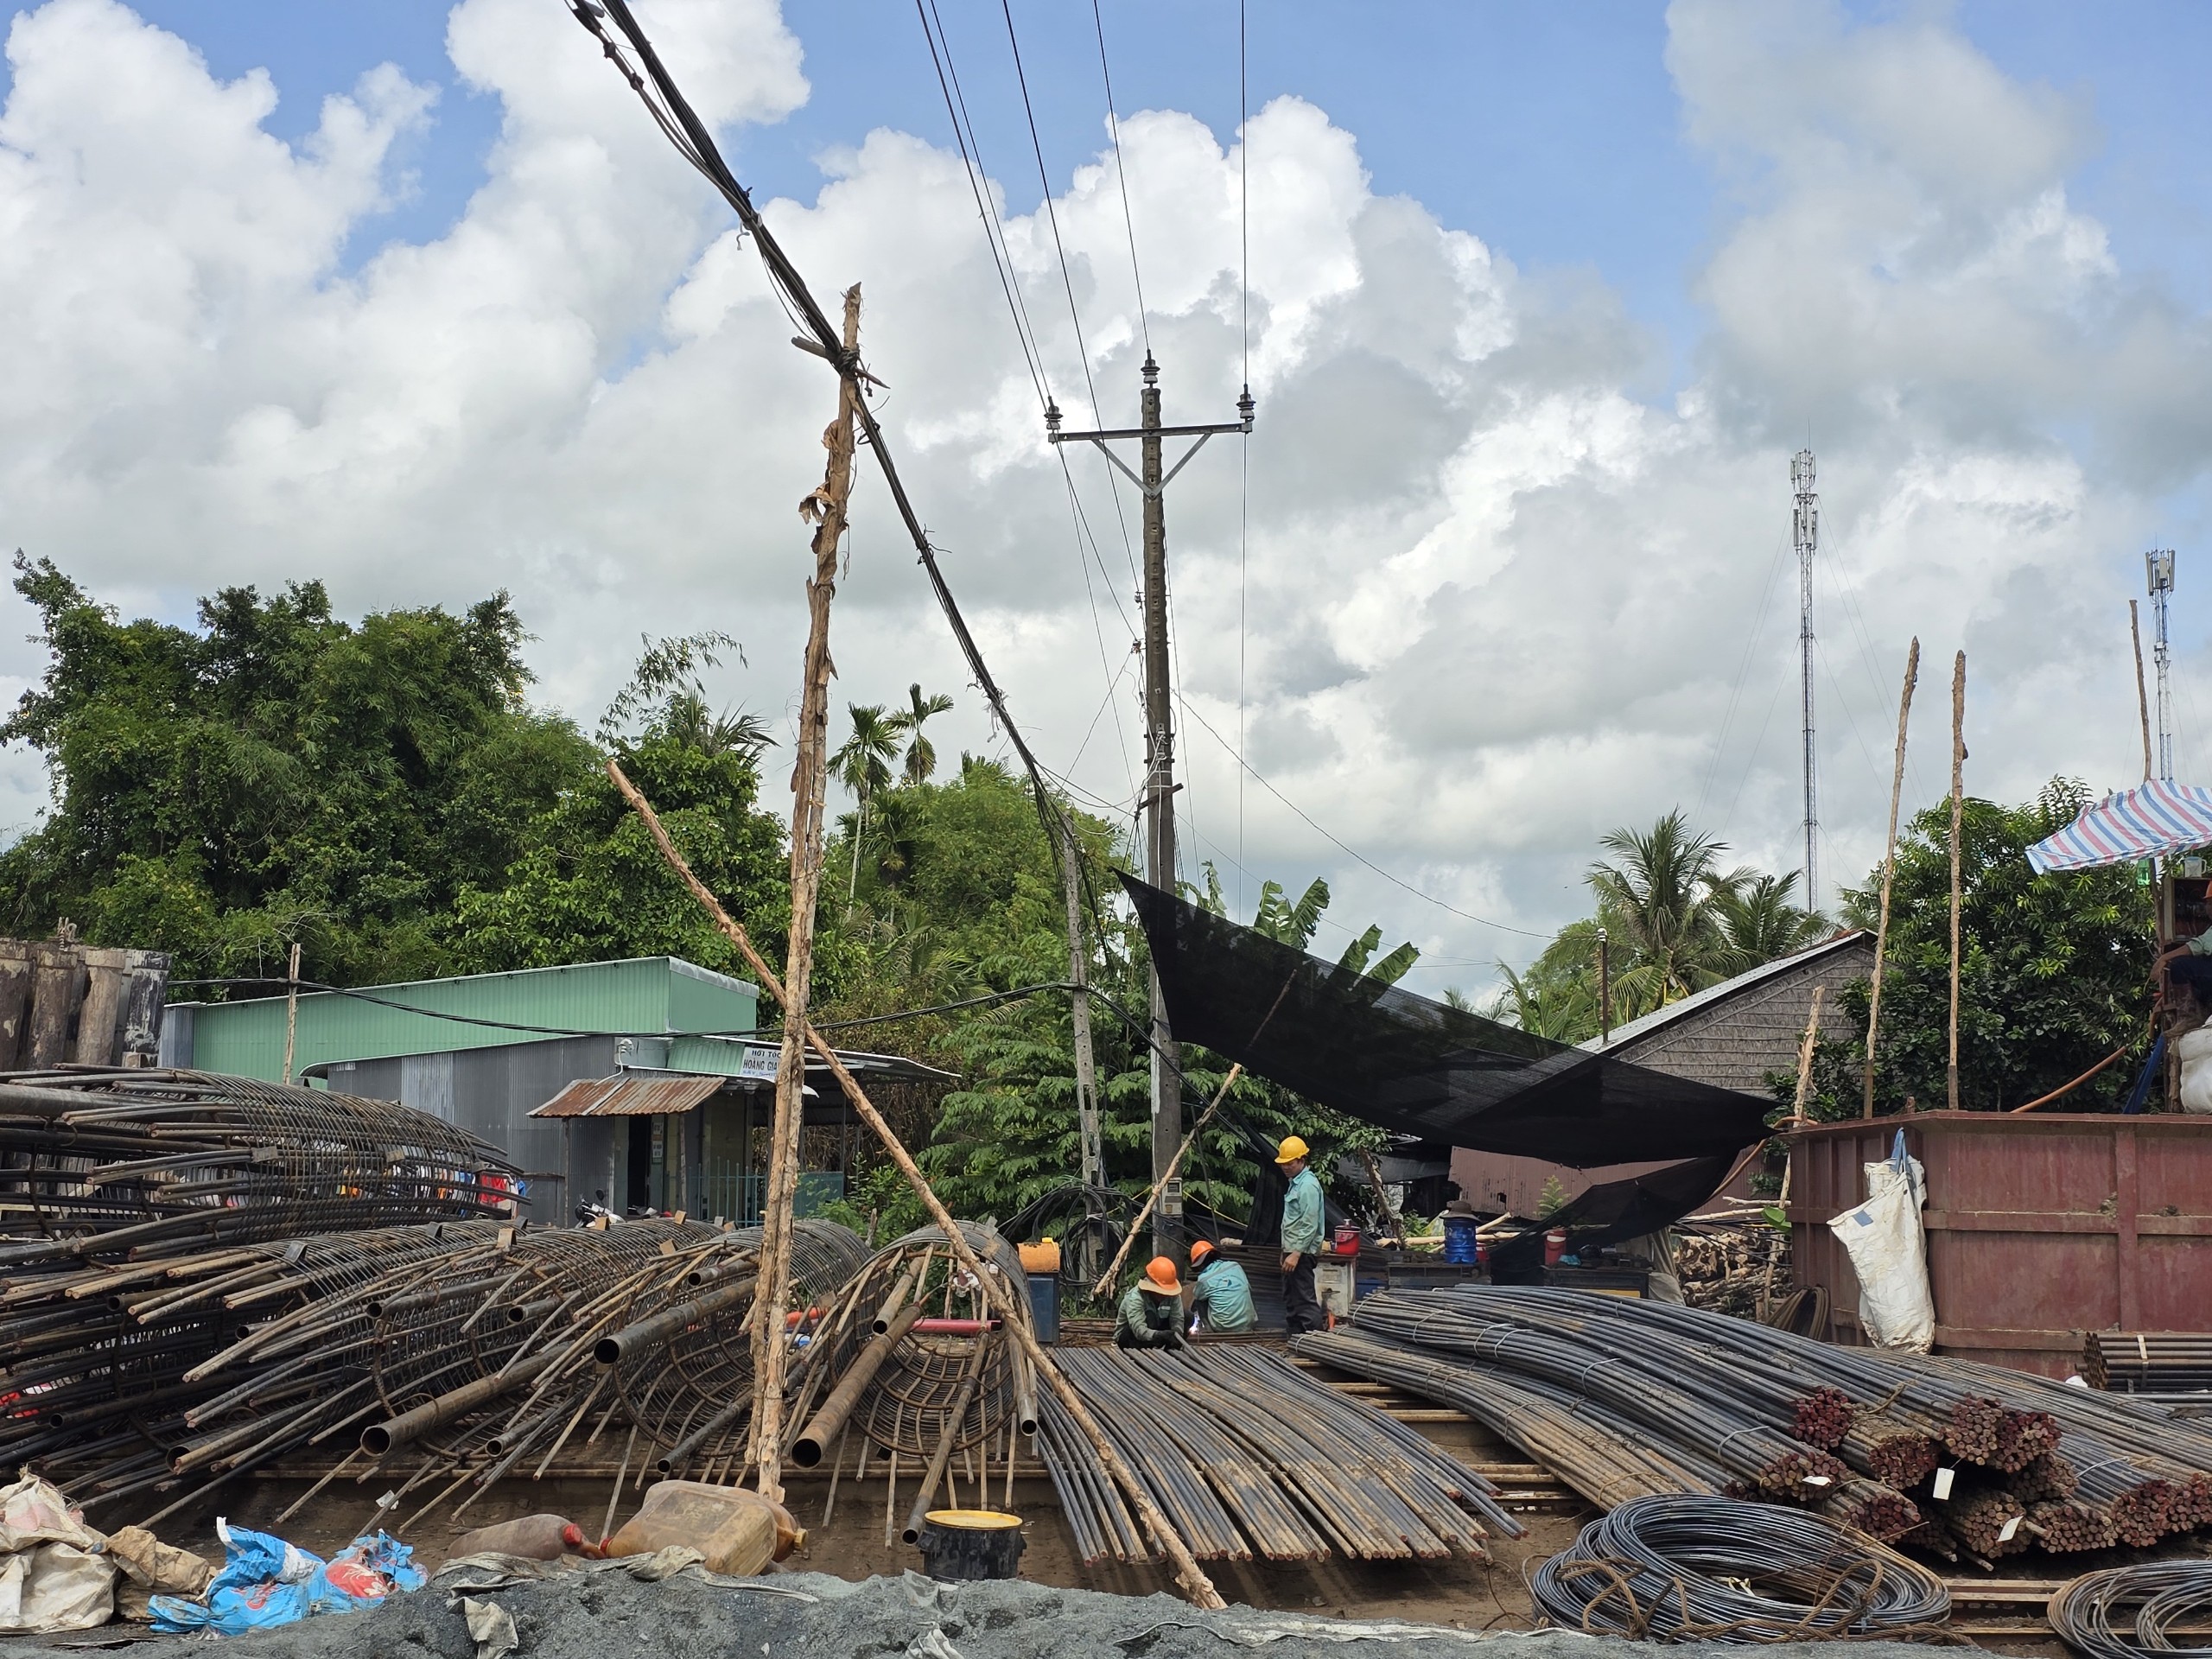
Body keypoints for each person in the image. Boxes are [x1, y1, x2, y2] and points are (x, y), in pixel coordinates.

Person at [1276, 1134, 1325, 1335]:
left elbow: (1309, 1224)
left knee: (1304, 1299)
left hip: (1302, 1253)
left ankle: (1314, 1340)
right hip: (1293, 1251)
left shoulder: (1307, 1186)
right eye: (1283, 1163)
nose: (1286, 1167)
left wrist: (1296, 1253)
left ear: (1302, 1160)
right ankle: (1296, 1338)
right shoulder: (1296, 1183)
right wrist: (1286, 1251)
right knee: (1291, 1298)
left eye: (1290, 1163)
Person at [1114, 1255, 1188, 1351]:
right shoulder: (1136, 1297)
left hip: (1155, 1331)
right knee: (1150, 1318)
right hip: (1132, 1337)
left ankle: (1170, 1349)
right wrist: (1159, 1335)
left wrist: (1175, 1334)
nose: (1164, 1295)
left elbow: (1177, 1319)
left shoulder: (1173, 1296)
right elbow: (1139, 1330)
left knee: (1188, 1316)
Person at [1187, 1237, 1256, 1334]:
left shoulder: (1204, 1279)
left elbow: (1197, 1297)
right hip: (1248, 1325)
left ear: (1200, 1265)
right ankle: (1249, 1318)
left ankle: (1209, 1330)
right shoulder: (1236, 1266)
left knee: (1199, 1300)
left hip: (1224, 1327)